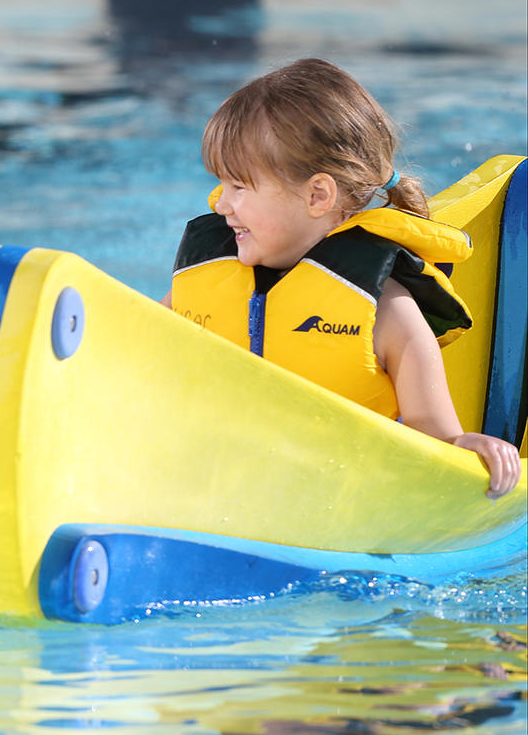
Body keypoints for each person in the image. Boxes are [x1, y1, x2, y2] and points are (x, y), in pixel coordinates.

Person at [161, 58, 520, 499]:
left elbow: (439, 446)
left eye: (239, 187)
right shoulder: (201, 282)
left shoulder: (388, 314)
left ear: (317, 195)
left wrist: (469, 448)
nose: (221, 205)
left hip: (343, 510)